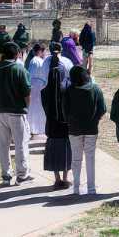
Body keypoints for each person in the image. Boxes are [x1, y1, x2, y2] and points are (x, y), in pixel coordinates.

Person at [0, 41, 33, 186]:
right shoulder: (19, 69)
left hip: (0, 111)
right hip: (17, 112)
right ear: (17, 54)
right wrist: (26, 108)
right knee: (20, 144)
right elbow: (27, 93)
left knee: (3, 145)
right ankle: (22, 174)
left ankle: (6, 175)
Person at [63, 66, 106, 196]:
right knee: (90, 158)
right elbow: (102, 109)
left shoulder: (68, 90)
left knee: (76, 159)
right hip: (91, 128)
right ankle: (91, 188)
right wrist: (96, 119)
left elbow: (65, 111)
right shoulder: (95, 89)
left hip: (74, 129)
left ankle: (76, 188)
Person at [40, 49, 73, 190]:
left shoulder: (45, 90)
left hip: (51, 125)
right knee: (65, 150)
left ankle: (57, 179)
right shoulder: (66, 88)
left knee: (53, 151)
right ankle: (65, 179)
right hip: (64, 126)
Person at [27, 43, 49, 136]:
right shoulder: (38, 60)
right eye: (43, 51)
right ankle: (37, 128)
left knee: (34, 107)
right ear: (40, 51)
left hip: (35, 85)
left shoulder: (33, 60)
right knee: (38, 107)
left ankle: (34, 128)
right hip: (38, 85)